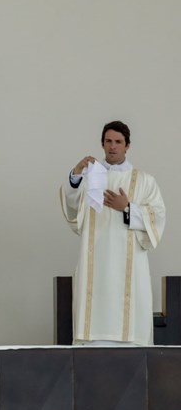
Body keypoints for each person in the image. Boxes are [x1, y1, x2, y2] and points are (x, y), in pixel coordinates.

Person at [61, 120, 165, 346]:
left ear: (127, 145)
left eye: (118, 142)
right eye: (108, 141)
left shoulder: (144, 181)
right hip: (94, 265)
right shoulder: (89, 178)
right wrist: (75, 175)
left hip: (130, 268)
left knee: (128, 331)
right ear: (102, 144)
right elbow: (72, 208)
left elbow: (157, 218)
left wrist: (126, 208)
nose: (112, 146)